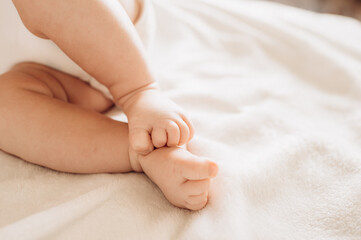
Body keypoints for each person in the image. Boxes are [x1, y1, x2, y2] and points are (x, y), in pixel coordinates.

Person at [0, 0, 218, 210]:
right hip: (44, 74)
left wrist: (136, 88)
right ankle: (139, 151)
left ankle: (138, 90)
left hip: (108, 32)